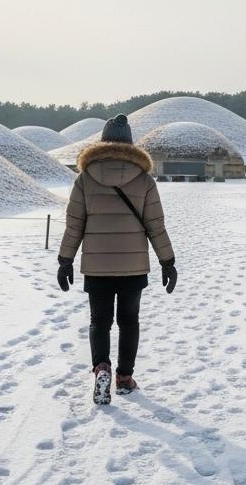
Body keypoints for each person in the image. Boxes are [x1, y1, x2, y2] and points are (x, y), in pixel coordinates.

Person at [56, 114, 177, 405]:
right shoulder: (144, 179)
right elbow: (155, 225)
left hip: (96, 265)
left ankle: (101, 368)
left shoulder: (85, 178)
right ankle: (124, 377)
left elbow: (75, 224)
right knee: (129, 321)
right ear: (130, 143)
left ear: (102, 141)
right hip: (132, 265)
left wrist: (65, 260)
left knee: (99, 321)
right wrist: (167, 261)